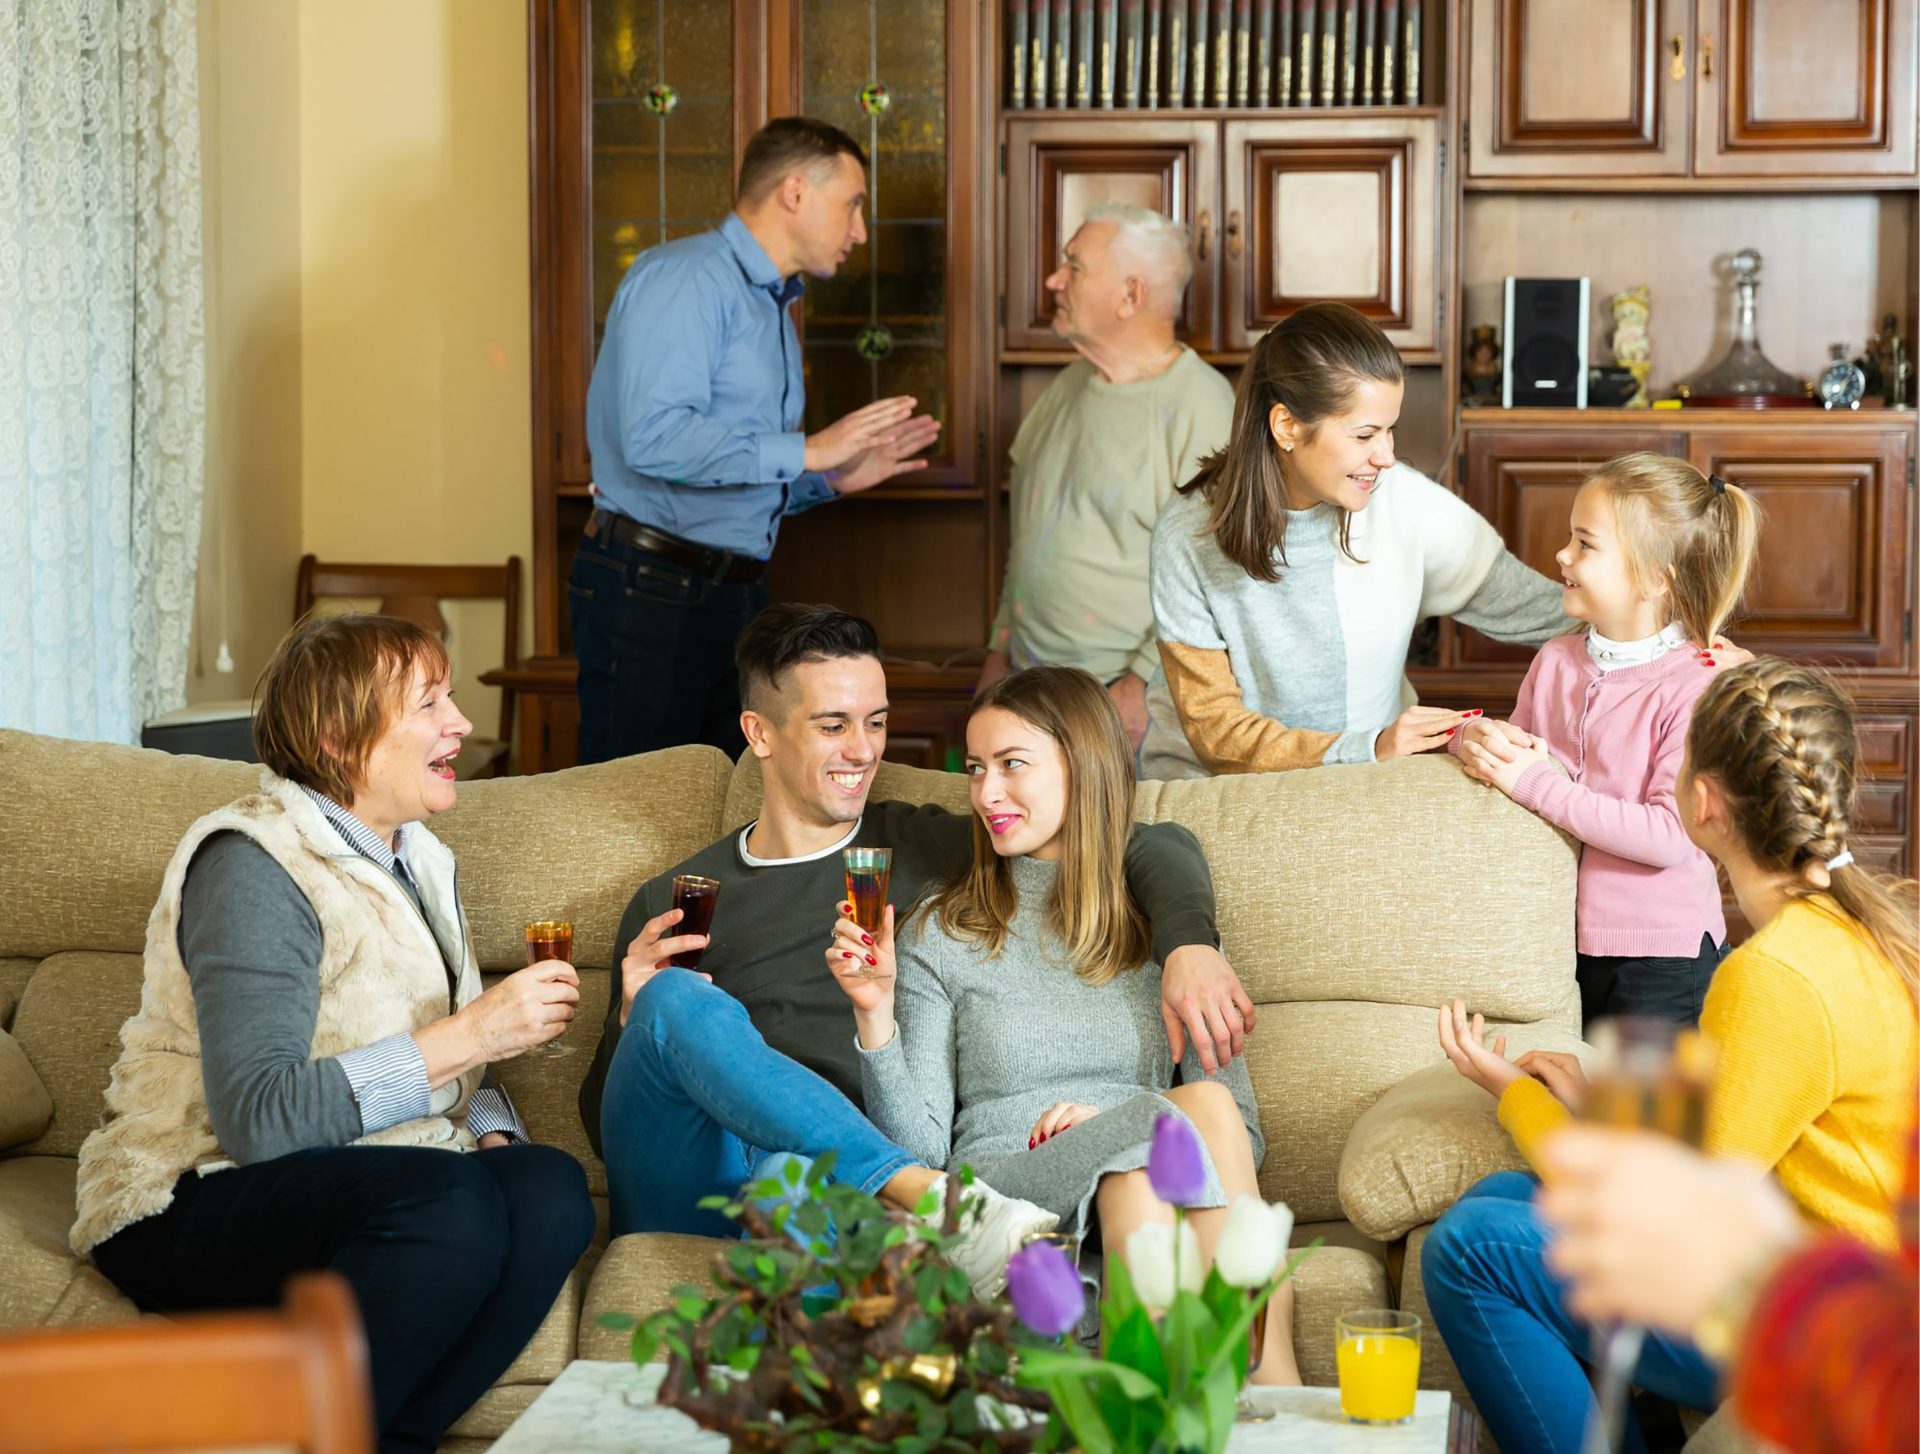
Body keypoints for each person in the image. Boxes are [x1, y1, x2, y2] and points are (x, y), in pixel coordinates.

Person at [577, 605, 1257, 1277]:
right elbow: (610, 1124)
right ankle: (928, 1198)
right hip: (704, 1168)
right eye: (833, 725)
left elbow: (1136, 841)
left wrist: (1189, 943)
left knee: (794, 1180)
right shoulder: (675, 898)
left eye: (875, 722)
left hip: (829, 1189)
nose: (864, 749)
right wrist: (634, 1019)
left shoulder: (925, 846)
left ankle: (886, 1273)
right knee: (674, 1000)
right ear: (760, 732)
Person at [72, 614, 596, 1454]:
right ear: (338, 737)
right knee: (451, 1203)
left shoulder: (419, 858)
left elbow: (439, 1040)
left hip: (368, 1178)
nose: (460, 724)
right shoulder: (254, 862)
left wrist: (492, 1132)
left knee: (545, 1190)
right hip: (187, 1192)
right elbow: (260, 1122)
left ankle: (389, 1439)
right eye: (430, 704)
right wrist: (475, 1033)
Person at [1426, 657, 1920, 1454]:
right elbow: (1728, 1135)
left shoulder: (1773, 975)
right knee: (1501, 1197)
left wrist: (1516, 1095)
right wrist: (1587, 1101)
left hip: (1826, 1330)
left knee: (1470, 1250)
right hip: (1824, 1282)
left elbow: (1667, 1215)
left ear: (1704, 801)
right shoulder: (1854, 930)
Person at [832, 665, 1302, 1381]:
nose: (987, 794)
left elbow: (1243, 1135)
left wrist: (1113, 1128)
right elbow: (917, 1154)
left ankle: (1144, 1420)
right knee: (1188, 1110)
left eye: (1013, 765)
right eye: (977, 769)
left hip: (1132, 1181)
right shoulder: (941, 930)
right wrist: (874, 1016)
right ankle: (1282, 1399)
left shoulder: (1168, 941)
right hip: (997, 1189)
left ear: (1082, 768)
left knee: (1136, 1177)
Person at [574, 116, 942, 763]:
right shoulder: (686, 280)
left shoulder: (770, 307)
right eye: (853, 204)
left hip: (731, 594)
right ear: (795, 192)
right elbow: (655, 439)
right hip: (654, 591)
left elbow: (728, 469)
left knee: (720, 813)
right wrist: (808, 451)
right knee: (637, 820)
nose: (860, 230)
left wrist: (829, 479)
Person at [1141, 302, 1571, 780]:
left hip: (1361, 782)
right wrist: (1368, 747)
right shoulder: (1189, 535)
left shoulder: (1406, 501)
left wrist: (1659, 631)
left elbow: (1546, 613)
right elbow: (1217, 734)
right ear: (1287, 426)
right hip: (1216, 790)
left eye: (1390, 430)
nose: (1386, 456)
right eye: (1365, 434)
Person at [1453, 454, 1761, 1029]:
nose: (1562, 555)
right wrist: (1473, 738)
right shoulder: (1554, 662)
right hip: (1558, 945)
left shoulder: (1696, 683)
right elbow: (1517, 763)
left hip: (1663, 962)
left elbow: (1671, 835)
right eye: (1570, 537)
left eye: (1585, 544)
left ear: (1653, 577)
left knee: (1646, 1121)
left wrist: (1535, 783)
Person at [975, 205, 1234, 752]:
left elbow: (1220, 572)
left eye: (1073, 266)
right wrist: (999, 653)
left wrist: (1140, 685)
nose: (1053, 281)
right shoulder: (1063, 389)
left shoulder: (1202, 406)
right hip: (1027, 693)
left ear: (1130, 295)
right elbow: (1030, 541)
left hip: (1119, 709)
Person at [1538, 1125, 1917, 1454]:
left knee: (1484, 1244)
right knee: (1500, 1205)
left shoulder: (1792, 1041)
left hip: (1801, 1333)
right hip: (1836, 1311)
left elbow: (1680, 1191)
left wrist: (1760, 1277)